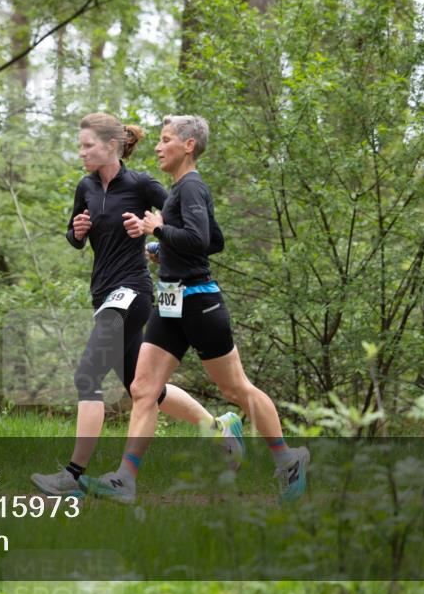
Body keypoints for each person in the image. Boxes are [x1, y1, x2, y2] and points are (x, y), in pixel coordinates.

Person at [77, 114, 309, 505]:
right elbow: (213, 240)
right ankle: (125, 479)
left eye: (165, 139)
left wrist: (157, 231)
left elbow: (200, 240)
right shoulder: (180, 190)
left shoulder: (192, 187)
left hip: (200, 302)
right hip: (171, 301)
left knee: (236, 388)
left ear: (187, 145)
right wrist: (163, 249)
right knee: (143, 388)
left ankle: (288, 459)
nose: (157, 146)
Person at [31, 113, 244, 498]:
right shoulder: (86, 187)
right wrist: (76, 233)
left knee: (87, 377)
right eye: (80, 146)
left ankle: (74, 476)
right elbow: (75, 236)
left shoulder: (143, 184)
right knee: (141, 387)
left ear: (111, 146)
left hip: (133, 290)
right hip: (103, 293)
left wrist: (155, 238)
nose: (81, 152)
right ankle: (219, 429)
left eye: (87, 145)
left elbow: (184, 226)